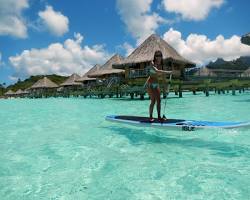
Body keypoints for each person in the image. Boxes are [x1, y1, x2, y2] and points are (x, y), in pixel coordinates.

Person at [145, 50, 172, 122]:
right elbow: (156, 71)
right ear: (155, 56)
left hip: (156, 84)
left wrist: (165, 87)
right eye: (157, 55)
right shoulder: (152, 63)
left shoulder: (161, 66)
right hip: (150, 84)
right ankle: (150, 117)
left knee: (159, 101)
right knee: (153, 101)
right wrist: (168, 72)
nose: (158, 57)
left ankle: (159, 117)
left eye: (160, 55)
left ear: (161, 56)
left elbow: (163, 78)